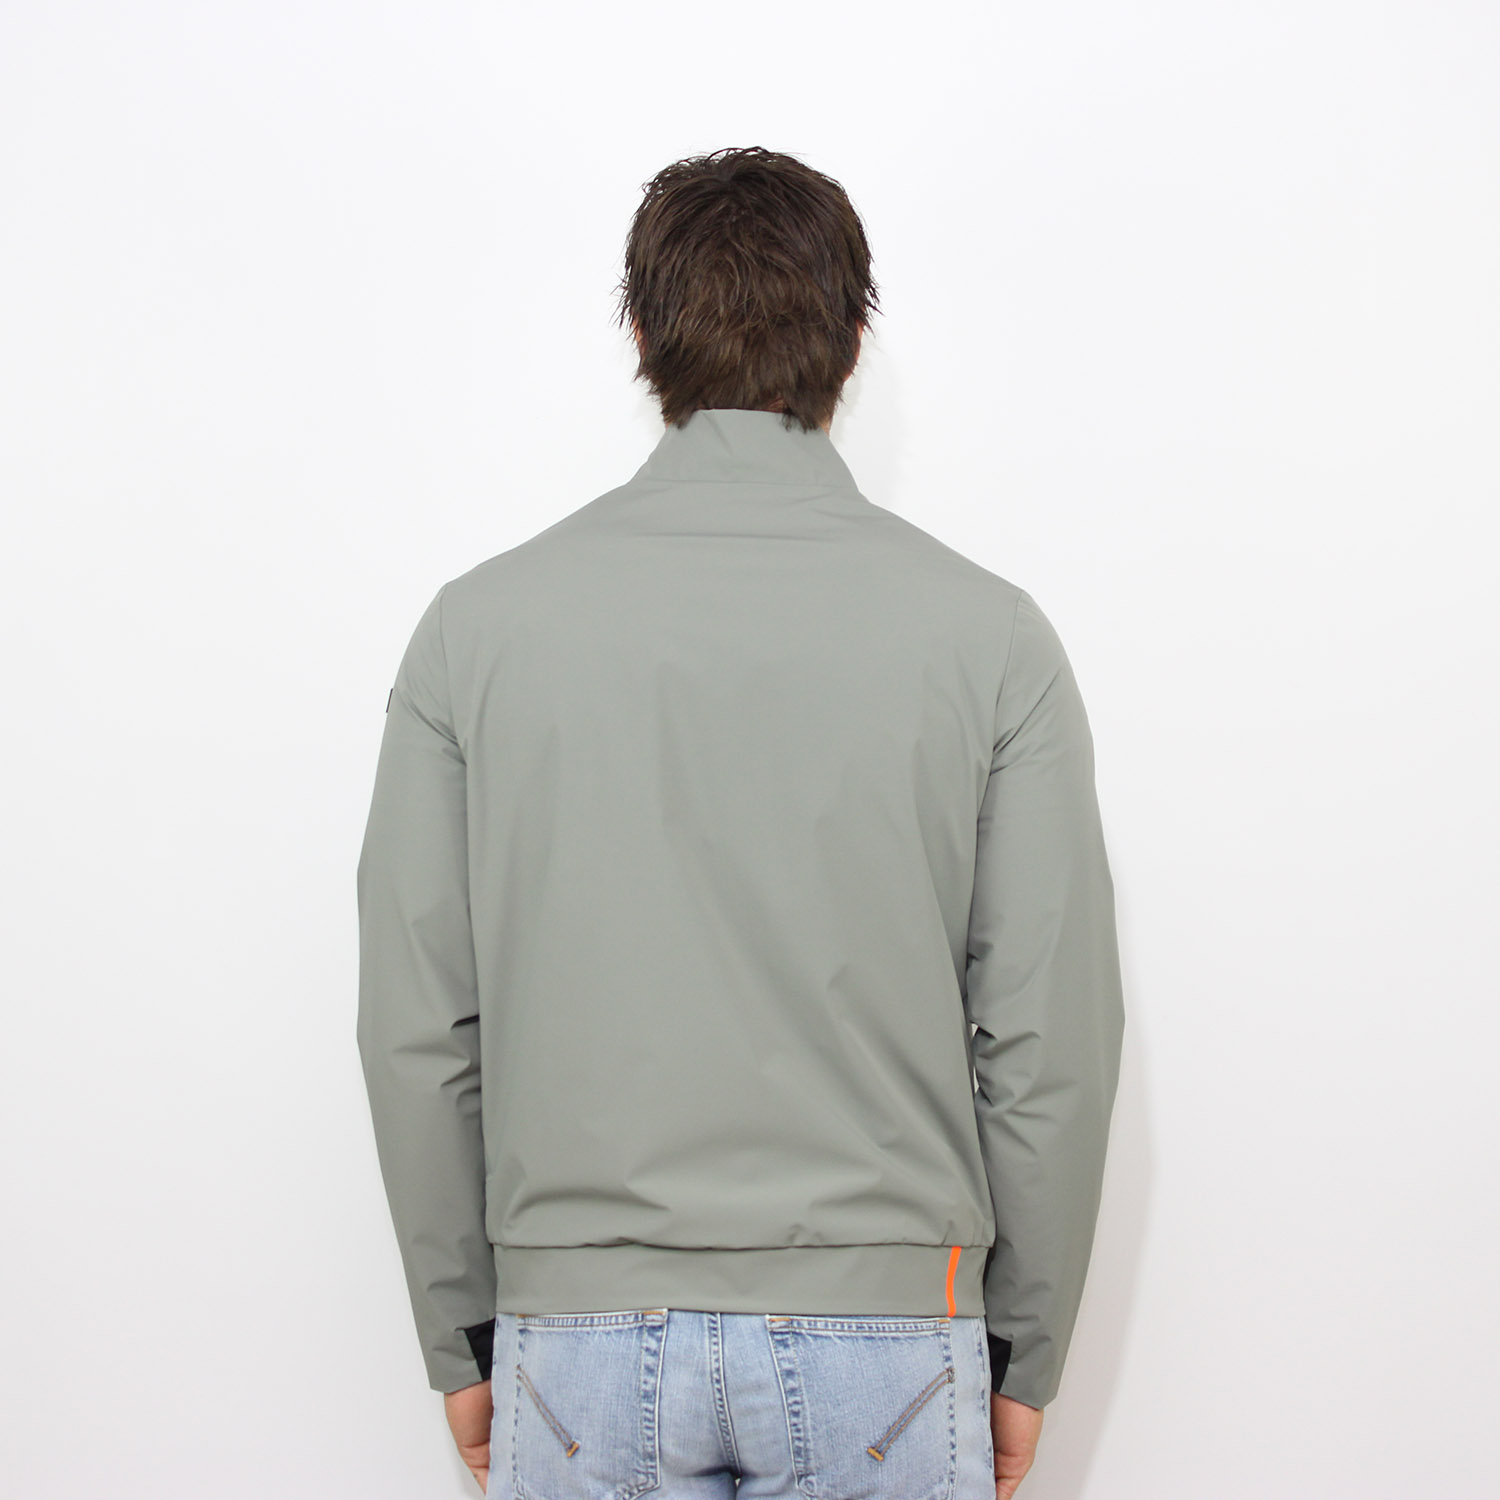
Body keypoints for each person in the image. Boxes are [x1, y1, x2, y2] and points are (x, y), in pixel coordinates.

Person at [356, 145, 1125, 1500]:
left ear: (641, 335)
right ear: (854, 339)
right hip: (892, 1337)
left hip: (576, 1339)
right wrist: (1023, 1350)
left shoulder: (474, 635)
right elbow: (1049, 1038)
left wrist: (462, 1328)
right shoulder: (993, 640)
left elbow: (419, 1025)